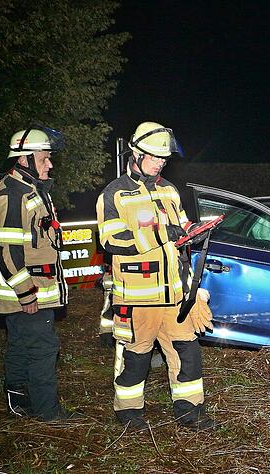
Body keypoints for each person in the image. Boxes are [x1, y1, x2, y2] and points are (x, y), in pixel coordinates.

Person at [96, 122, 216, 431]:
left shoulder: (169, 190)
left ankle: (190, 411)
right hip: (139, 298)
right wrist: (163, 233)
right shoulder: (115, 193)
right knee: (136, 358)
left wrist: (194, 231)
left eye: (164, 158)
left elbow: (181, 228)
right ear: (136, 154)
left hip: (174, 296)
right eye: (154, 157)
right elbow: (112, 240)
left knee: (188, 353)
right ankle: (129, 413)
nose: (160, 163)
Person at [0, 125, 75, 421]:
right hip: (27, 294)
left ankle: (20, 403)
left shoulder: (29, 190)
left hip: (32, 292)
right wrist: (25, 293)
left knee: (22, 347)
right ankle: (47, 412)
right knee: (42, 349)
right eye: (43, 158)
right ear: (23, 159)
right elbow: (7, 251)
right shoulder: (13, 195)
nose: (50, 164)